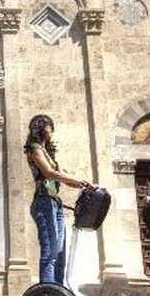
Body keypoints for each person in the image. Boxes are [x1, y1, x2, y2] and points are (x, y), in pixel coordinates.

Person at [25, 114, 97, 284]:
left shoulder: (47, 153)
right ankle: (48, 294)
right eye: (50, 126)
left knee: (60, 254)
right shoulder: (34, 148)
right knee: (50, 252)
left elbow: (62, 176)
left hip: (55, 203)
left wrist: (84, 184)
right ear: (41, 127)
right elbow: (49, 173)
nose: (52, 130)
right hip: (44, 202)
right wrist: (76, 181)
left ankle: (59, 291)